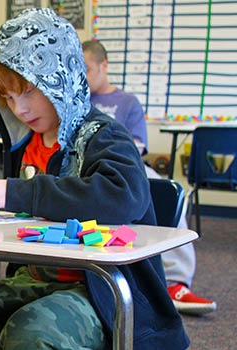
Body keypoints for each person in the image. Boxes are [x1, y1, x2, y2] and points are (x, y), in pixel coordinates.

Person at [0, 8, 189, 350]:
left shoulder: (103, 136)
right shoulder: (25, 143)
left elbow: (124, 197)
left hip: (101, 289)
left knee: (30, 333)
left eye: (29, 91)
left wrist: (20, 193)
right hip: (37, 277)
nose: (20, 109)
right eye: (8, 98)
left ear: (60, 78)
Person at [83, 39, 217, 316]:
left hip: (124, 164)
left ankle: (174, 282)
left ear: (103, 66)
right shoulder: (79, 100)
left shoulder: (127, 102)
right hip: (84, 164)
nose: (82, 77)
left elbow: (137, 146)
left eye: (86, 69)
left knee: (169, 190)